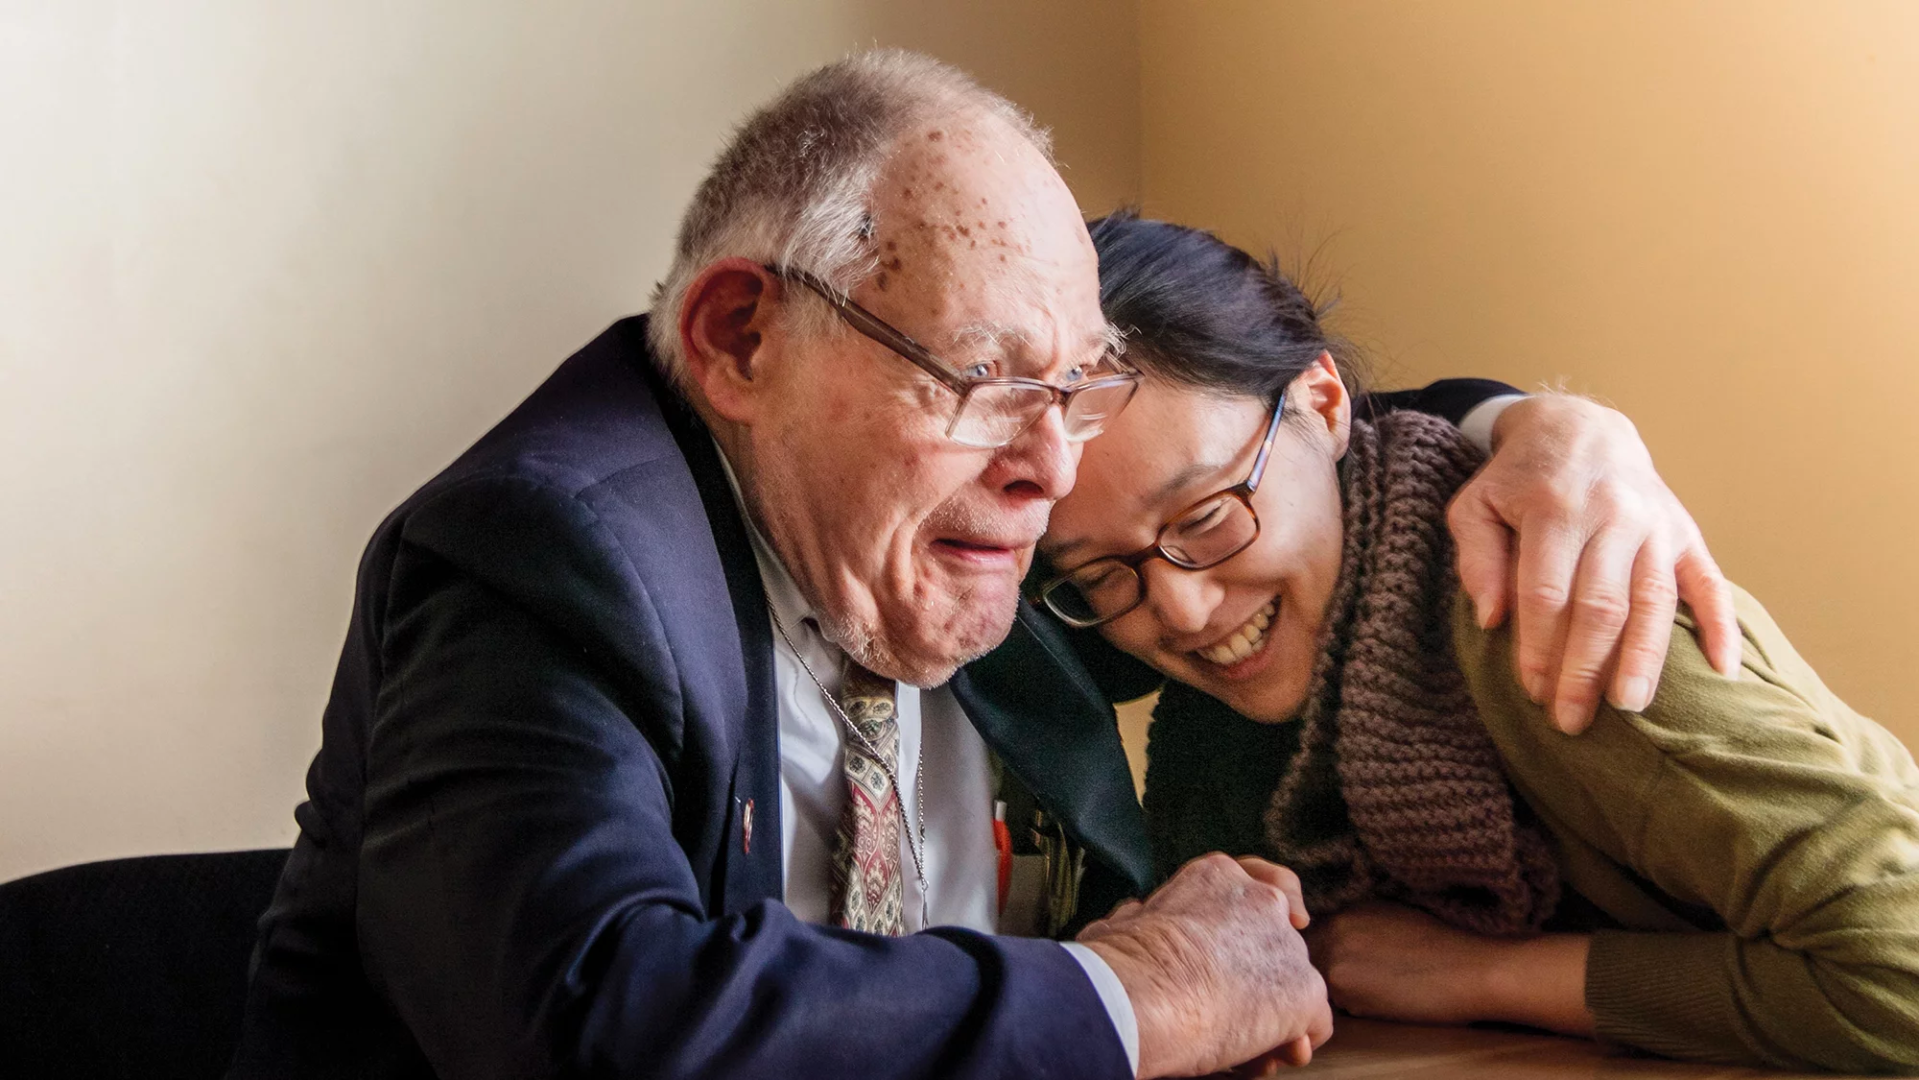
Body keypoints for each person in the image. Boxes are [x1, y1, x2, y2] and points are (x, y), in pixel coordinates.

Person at [229, 52, 1741, 1079]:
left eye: (1073, 386)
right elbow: (587, 1023)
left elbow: (1264, 465)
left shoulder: (961, 534)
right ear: (741, 337)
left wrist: (1539, 431)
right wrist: (1139, 993)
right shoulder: (555, 548)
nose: (1053, 465)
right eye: (982, 377)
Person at [1037, 212, 1919, 1073]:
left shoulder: (1549, 624)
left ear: (1324, 400)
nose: (1181, 610)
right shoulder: (1252, 692)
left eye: (1206, 515)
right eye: (1103, 574)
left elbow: (1901, 970)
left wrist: (1480, 975)